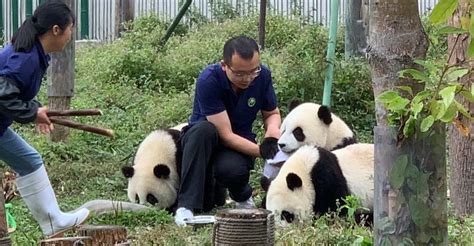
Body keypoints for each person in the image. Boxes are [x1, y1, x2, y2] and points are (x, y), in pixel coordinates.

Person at [0, 1, 89, 237]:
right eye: (71, 29)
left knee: (29, 160)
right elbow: (3, 95)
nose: (71, 35)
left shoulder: (32, 54)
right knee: (29, 160)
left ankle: (54, 222)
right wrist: (32, 113)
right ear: (56, 30)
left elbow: (11, 92)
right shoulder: (26, 58)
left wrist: (35, 110)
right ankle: (54, 222)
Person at [175, 35, 281, 226]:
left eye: (252, 72)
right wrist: (262, 152)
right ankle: (185, 207)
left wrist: (272, 136)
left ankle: (242, 197)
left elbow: (271, 113)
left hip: (238, 144)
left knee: (233, 171)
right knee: (204, 130)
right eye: (240, 74)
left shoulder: (262, 76)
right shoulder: (209, 80)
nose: (247, 79)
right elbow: (225, 135)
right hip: (202, 144)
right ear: (224, 65)